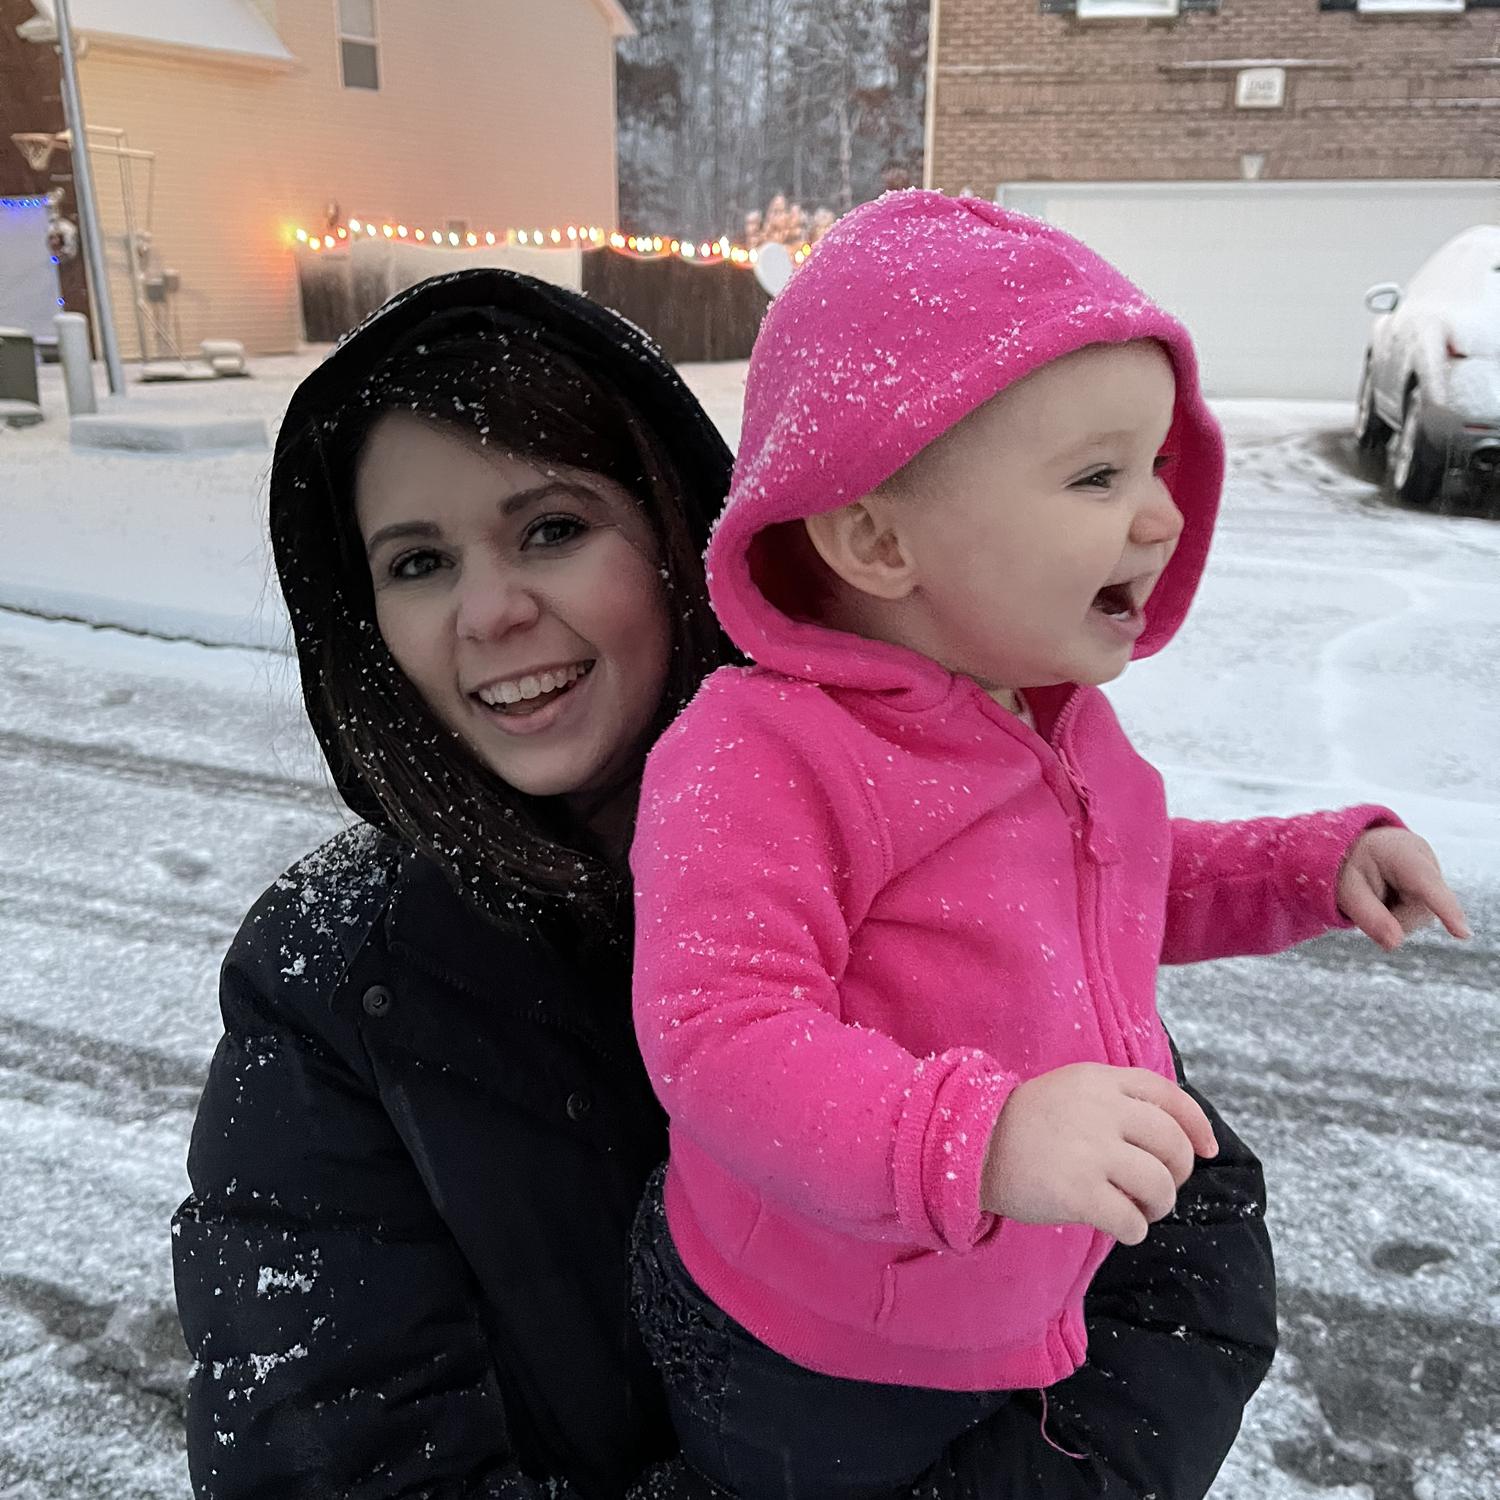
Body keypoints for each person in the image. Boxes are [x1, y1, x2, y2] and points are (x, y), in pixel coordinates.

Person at [175, 266, 1285, 1500]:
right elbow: (338, 1460)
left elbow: (1192, 1261)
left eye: (552, 528)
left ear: (676, 528)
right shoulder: (336, 978)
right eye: (417, 562)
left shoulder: (929, 807)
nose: (488, 612)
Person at [627, 193, 1472, 1500]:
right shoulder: (765, 751)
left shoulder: (1054, 726)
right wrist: (984, 1137)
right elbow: (719, 1033)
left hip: (1007, 1293)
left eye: (1156, 471)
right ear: (877, 537)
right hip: (819, 1352)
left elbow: (1128, 881)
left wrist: (1311, 865)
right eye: (1097, 476)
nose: (1161, 518)